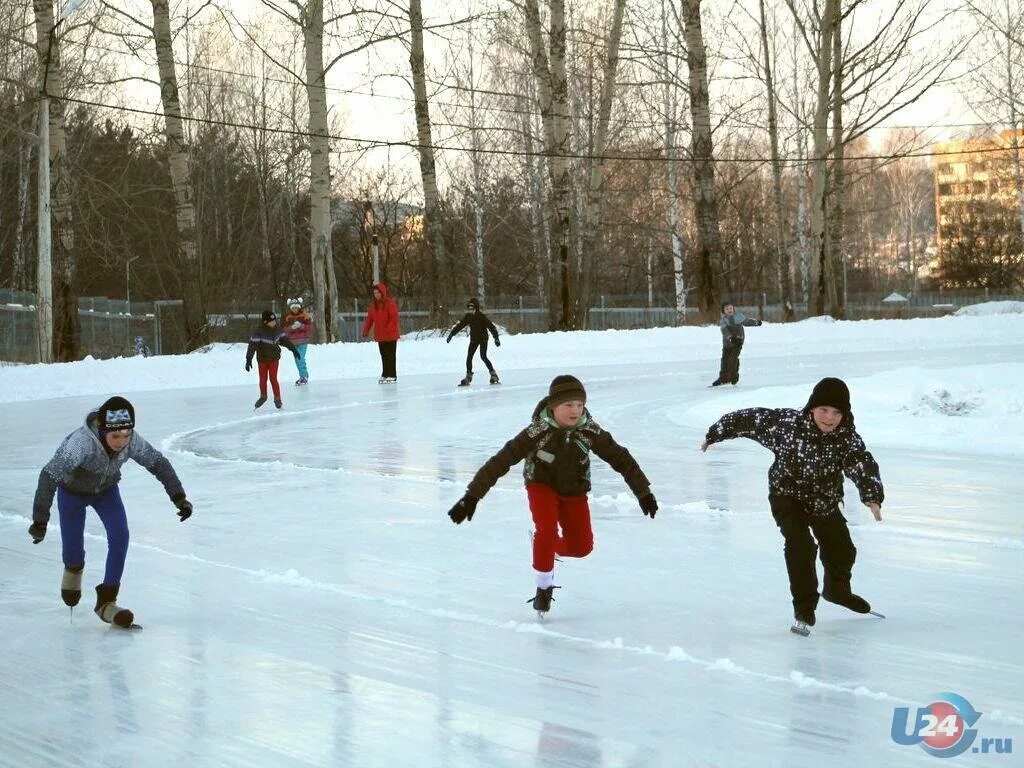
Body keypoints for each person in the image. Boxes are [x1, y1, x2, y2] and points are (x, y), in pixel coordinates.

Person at [446, 375, 658, 614]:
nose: (575, 411)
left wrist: (643, 492)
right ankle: (543, 589)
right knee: (546, 528)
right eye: (568, 405)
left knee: (582, 547)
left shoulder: (589, 430)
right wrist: (472, 496)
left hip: (575, 490)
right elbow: (501, 461)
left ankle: (546, 546)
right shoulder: (538, 430)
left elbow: (622, 459)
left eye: (579, 404)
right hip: (541, 485)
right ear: (554, 405)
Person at [700, 377, 885, 635]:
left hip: (824, 500)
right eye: (824, 410)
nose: (829, 418)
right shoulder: (786, 426)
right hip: (786, 497)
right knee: (800, 545)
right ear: (812, 407)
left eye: (836, 412)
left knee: (842, 549)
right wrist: (714, 434)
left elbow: (862, 464)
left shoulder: (847, 438)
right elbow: (747, 419)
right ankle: (804, 608)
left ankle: (837, 590)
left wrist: (872, 496)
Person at [29, 396, 193, 628]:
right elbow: (49, 475)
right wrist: (40, 520)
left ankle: (106, 601)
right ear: (102, 430)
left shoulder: (131, 440)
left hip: (106, 491)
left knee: (120, 536)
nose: (122, 442)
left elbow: (157, 463)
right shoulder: (81, 443)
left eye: (126, 435)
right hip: (71, 494)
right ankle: (73, 569)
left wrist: (179, 496)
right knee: (74, 555)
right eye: (115, 436)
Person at [245, 310, 300, 409]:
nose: (274, 322)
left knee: (273, 378)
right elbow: (252, 346)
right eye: (272, 321)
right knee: (263, 379)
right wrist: (249, 359)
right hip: (262, 360)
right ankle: (263, 396)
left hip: (274, 359)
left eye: (274, 320)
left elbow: (285, 341)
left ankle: (277, 399)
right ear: (265, 322)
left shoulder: (278, 329)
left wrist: (293, 349)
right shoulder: (259, 332)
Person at [446, 297, 501, 386]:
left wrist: (496, 338)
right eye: (469, 308)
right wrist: (451, 334)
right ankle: (468, 376)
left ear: (476, 308)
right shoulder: (468, 317)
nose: (470, 310)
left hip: (483, 338)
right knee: (469, 356)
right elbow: (460, 325)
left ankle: (493, 375)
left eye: (472, 308)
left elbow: (491, 327)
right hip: (474, 339)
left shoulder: (481, 316)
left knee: (483, 356)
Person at [711, 301, 762, 386]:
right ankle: (723, 378)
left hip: (738, 342)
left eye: (730, 308)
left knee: (733, 359)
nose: (729, 310)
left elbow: (747, 321)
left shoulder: (738, 316)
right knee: (724, 360)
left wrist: (756, 322)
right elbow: (725, 331)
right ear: (723, 311)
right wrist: (730, 338)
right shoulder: (723, 320)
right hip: (727, 343)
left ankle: (734, 377)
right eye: (727, 309)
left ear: (733, 308)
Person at [361, 282, 400, 383]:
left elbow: (394, 318)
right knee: (383, 355)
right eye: (375, 293)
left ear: (382, 292)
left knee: (390, 355)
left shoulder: (390, 303)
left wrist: (388, 329)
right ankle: (385, 373)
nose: (376, 295)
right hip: (380, 335)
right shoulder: (373, 306)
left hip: (390, 335)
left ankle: (392, 374)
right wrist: (366, 330)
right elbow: (369, 319)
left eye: (378, 292)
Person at [283, 297, 315, 385]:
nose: (295, 309)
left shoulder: (305, 316)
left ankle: (304, 376)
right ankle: (303, 376)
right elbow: (284, 330)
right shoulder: (288, 317)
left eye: (296, 307)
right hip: (293, 343)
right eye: (293, 307)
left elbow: (310, 328)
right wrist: (291, 328)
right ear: (291, 308)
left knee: (300, 358)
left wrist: (301, 326)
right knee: (297, 360)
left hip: (303, 341)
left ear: (299, 307)